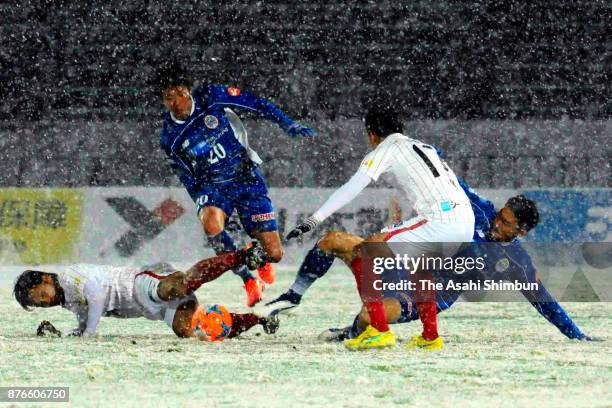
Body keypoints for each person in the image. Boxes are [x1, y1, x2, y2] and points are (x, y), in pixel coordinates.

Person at [285, 105, 475, 350]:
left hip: (441, 221)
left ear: (371, 134)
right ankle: (430, 337)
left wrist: (314, 220)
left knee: (368, 249)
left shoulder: (388, 148)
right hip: (465, 223)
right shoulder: (422, 146)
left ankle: (380, 330)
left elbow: (351, 188)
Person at [318, 194, 598, 343]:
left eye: (506, 223)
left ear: (522, 232)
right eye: (500, 217)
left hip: (428, 297)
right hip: (408, 264)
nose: (497, 224)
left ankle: (351, 333)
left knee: (369, 316)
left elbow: (544, 302)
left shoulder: (516, 262)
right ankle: (292, 294)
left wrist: (577, 335)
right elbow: (448, 179)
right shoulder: (479, 208)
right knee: (334, 240)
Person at [155, 62, 315, 307]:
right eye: (169, 98)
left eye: (180, 94)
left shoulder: (212, 96)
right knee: (211, 225)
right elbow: (186, 175)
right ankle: (248, 279)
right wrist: (200, 200)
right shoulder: (170, 137)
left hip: (245, 176)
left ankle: (256, 255)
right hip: (213, 186)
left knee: (275, 254)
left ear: (188, 91)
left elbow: (256, 103)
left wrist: (286, 123)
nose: (176, 102)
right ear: (164, 101)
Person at [13, 246, 277, 339]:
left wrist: (89, 333)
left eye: (39, 294)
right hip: (151, 310)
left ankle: (242, 255)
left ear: (46, 278)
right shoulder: (68, 301)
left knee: (179, 285)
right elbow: (86, 321)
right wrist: (70, 334)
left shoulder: (69, 276)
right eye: (38, 304)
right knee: (194, 329)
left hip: (141, 284)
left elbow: (96, 295)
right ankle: (259, 318)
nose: (43, 302)